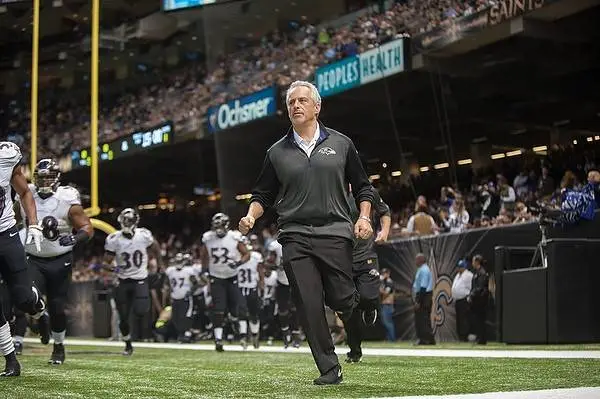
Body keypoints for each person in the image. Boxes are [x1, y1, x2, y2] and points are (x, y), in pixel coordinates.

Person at [238, 80, 374, 385]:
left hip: (336, 231)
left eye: (302, 101)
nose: (296, 106)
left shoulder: (342, 144)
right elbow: (262, 195)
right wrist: (250, 216)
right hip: (295, 234)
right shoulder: (276, 153)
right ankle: (329, 368)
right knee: (309, 303)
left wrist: (364, 216)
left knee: (342, 299)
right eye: (291, 103)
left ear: (317, 106)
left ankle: (360, 302)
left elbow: (364, 186)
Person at [13, 159, 93, 364]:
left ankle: (58, 347)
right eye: (41, 177)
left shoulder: (66, 197)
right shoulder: (26, 193)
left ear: (57, 177)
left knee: (57, 306)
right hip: (33, 257)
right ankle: (41, 317)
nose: (45, 181)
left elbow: (87, 227)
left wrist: (75, 238)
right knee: (26, 299)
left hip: (60, 259)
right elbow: (13, 220)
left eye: (49, 176)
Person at [0, 141, 49, 377]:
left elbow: (25, 192)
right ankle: (11, 360)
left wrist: (34, 224)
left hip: (6, 234)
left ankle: (39, 309)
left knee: (23, 299)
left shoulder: (5, 156)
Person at [103, 208, 162, 355]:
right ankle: (128, 343)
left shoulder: (143, 235)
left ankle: (143, 333)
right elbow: (106, 263)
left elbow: (156, 248)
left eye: (129, 221)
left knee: (141, 310)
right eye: (125, 220)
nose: (127, 223)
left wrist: (160, 266)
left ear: (135, 222)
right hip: (123, 280)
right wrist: (115, 269)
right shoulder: (114, 239)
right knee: (123, 317)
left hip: (140, 279)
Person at [344, 187, 391, 363]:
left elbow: (384, 211)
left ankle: (370, 306)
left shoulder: (367, 190)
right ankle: (354, 351)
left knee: (368, 297)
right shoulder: (329, 188)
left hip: (365, 255)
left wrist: (384, 231)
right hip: (342, 259)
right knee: (347, 309)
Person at [200, 212, 250, 352]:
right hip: (216, 277)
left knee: (237, 309)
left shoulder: (234, 237)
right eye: (216, 226)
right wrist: (204, 270)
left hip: (231, 276)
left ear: (226, 225)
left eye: (220, 226)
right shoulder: (208, 238)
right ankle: (218, 339)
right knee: (218, 309)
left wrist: (238, 263)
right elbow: (204, 256)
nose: (218, 229)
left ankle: (242, 334)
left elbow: (247, 254)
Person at [265, 238, 300, 348]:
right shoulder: (275, 245)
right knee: (282, 310)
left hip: (296, 280)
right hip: (282, 281)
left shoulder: (297, 243)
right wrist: (274, 266)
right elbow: (268, 262)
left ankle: (295, 335)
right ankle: (286, 333)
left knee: (295, 309)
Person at [236, 237, 264, 349]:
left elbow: (260, 271)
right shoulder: (236, 257)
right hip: (240, 288)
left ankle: (255, 336)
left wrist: (262, 284)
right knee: (242, 313)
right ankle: (243, 337)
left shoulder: (256, 257)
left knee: (254, 314)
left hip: (252, 288)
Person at [412, 253, 435, 345]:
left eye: (417, 259)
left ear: (421, 260)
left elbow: (423, 287)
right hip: (422, 295)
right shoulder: (420, 269)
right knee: (420, 319)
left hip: (424, 296)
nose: (415, 261)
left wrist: (418, 301)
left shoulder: (425, 270)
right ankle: (423, 339)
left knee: (423, 319)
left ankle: (427, 339)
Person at [468, 254, 489, 345]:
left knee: (480, 319)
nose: (472, 263)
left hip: (481, 300)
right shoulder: (476, 272)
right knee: (477, 320)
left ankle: (482, 339)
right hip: (477, 300)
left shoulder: (482, 272)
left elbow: (480, 287)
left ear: (477, 262)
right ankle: (480, 337)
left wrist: (471, 295)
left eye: (473, 261)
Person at [451, 259, 473, 342]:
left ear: (464, 267)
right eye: (458, 267)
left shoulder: (468, 275)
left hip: (464, 300)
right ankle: (460, 336)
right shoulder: (458, 275)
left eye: (460, 267)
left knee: (464, 319)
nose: (458, 268)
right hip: (458, 300)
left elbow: (471, 287)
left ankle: (465, 336)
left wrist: (469, 297)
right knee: (459, 319)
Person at [379, 268, 396, 342]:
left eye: (385, 273)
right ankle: (389, 338)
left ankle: (392, 339)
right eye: (383, 273)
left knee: (388, 322)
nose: (384, 275)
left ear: (388, 274)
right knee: (386, 322)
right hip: (384, 304)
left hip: (388, 305)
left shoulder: (389, 282)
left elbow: (386, 293)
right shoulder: (385, 283)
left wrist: (379, 290)